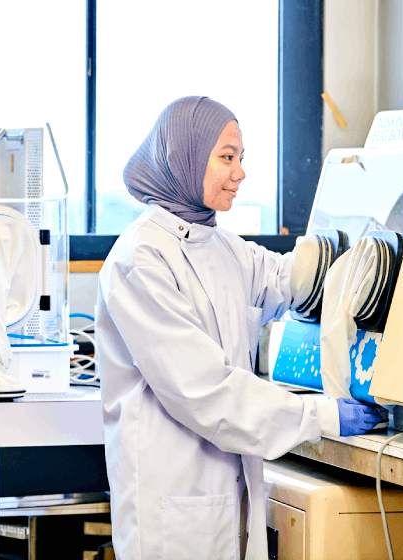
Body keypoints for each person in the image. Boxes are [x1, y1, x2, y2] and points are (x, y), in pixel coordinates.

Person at [95, 96, 382, 560]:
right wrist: (318, 416)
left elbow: (284, 280)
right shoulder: (140, 259)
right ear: (182, 158)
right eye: (227, 157)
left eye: (242, 158)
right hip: (174, 506)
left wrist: (363, 253)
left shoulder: (223, 247)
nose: (240, 172)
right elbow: (205, 390)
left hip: (227, 496)